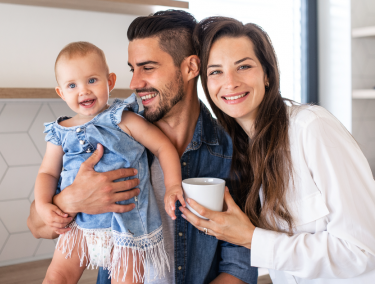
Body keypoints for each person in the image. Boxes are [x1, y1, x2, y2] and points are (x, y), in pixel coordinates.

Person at [27, 10, 258, 284]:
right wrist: (72, 200)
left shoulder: (230, 149)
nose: (134, 83)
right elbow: (37, 226)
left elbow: (240, 265)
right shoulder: (111, 129)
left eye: (147, 68)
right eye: (132, 69)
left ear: (190, 68)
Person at [180, 16, 375, 283]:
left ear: (267, 74)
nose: (230, 82)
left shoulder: (311, 128)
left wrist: (252, 239)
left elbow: (360, 249)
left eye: (244, 66)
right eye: (216, 71)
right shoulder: (237, 152)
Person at [36, 41, 187, 283]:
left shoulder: (122, 118)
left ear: (110, 81)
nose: (83, 91)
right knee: (57, 275)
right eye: (72, 85)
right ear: (61, 93)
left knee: (125, 279)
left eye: (92, 80)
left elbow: (162, 146)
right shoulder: (59, 132)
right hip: (78, 224)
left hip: (126, 225)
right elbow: (47, 173)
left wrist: (173, 186)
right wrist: (44, 205)